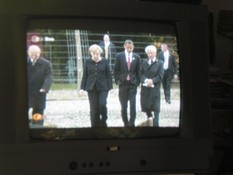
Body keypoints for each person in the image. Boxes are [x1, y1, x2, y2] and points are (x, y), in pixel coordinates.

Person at [80, 44, 113, 127]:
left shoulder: (105, 61)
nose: (96, 56)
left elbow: (108, 75)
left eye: (97, 54)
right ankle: (94, 126)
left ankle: (104, 120)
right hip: (91, 87)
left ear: (100, 53)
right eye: (94, 54)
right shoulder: (87, 62)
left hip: (103, 87)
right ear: (91, 53)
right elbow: (85, 75)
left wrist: (111, 88)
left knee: (102, 104)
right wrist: (82, 88)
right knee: (94, 109)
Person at [114, 40, 141, 127]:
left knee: (133, 105)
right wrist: (118, 80)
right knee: (123, 105)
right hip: (123, 83)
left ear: (133, 47)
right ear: (124, 46)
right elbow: (116, 70)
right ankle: (125, 122)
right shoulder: (119, 56)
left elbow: (138, 71)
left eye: (131, 47)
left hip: (133, 84)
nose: (129, 49)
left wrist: (137, 81)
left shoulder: (137, 57)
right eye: (127, 47)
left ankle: (132, 123)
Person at [27, 45, 53, 125]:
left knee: (38, 114)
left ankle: (38, 129)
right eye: (32, 54)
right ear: (28, 53)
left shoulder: (46, 64)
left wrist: (45, 88)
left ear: (40, 53)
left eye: (36, 54)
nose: (34, 56)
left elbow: (49, 77)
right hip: (27, 92)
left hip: (39, 92)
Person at [140, 45, 164, 127]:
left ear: (155, 53)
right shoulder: (144, 62)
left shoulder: (160, 63)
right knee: (146, 106)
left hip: (154, 88)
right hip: (145, 88)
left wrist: (152, 81)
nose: (150, 55)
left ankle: (156, 124)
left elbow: (160, 75)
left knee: (156, 108)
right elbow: (140, 74)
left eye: (151, 53)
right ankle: (150, 119)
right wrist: (146, 80)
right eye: (148, 53)